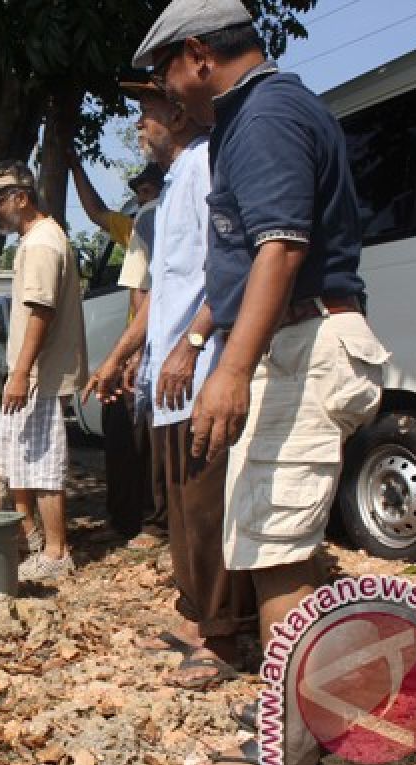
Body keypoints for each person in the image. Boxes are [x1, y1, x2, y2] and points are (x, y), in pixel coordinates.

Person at [134, 0, 388, 765]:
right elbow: (252, 258)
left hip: (305, 342)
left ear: (200, 54)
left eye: (165, 70)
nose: (165, 91)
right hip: (296, 339)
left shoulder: (267, 116)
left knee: (277, 554)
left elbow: (280, 246)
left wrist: (231, 370)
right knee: (280, 549)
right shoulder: (257, 116)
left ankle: (291, 749)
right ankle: (312, 706)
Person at [84, 78, 257, 691]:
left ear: (178, 114)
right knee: (181, 504)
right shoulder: (170, 190)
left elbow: (229, 268)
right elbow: (160, 292)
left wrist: (194, 341)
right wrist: (119, 358)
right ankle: (196, 616)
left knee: (207, 503)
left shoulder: (210, 164)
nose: (138, 126)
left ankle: (225, 634)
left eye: (146, 114)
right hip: (167, 377)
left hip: (202, 370)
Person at [0, 160, 87, 581]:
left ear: (21, 198)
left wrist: (21, 373)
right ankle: (31, 538)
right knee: (17, 457)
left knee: (41, 461)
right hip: (31, 371)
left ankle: (56, 552)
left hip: (38, 373)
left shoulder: (40, 244)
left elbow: (41, 310)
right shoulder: (36, 239)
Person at [71, 159, 168, 540]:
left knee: (158, 442)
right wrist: (74, 168)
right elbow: (95, 212)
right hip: (137, 350)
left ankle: (156, 524)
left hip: (160, 349)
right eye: (140, 191)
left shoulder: (167, 222)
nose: (143, 198)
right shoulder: (135, 228)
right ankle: (126, 519)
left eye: (149, 190)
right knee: (120, 428)